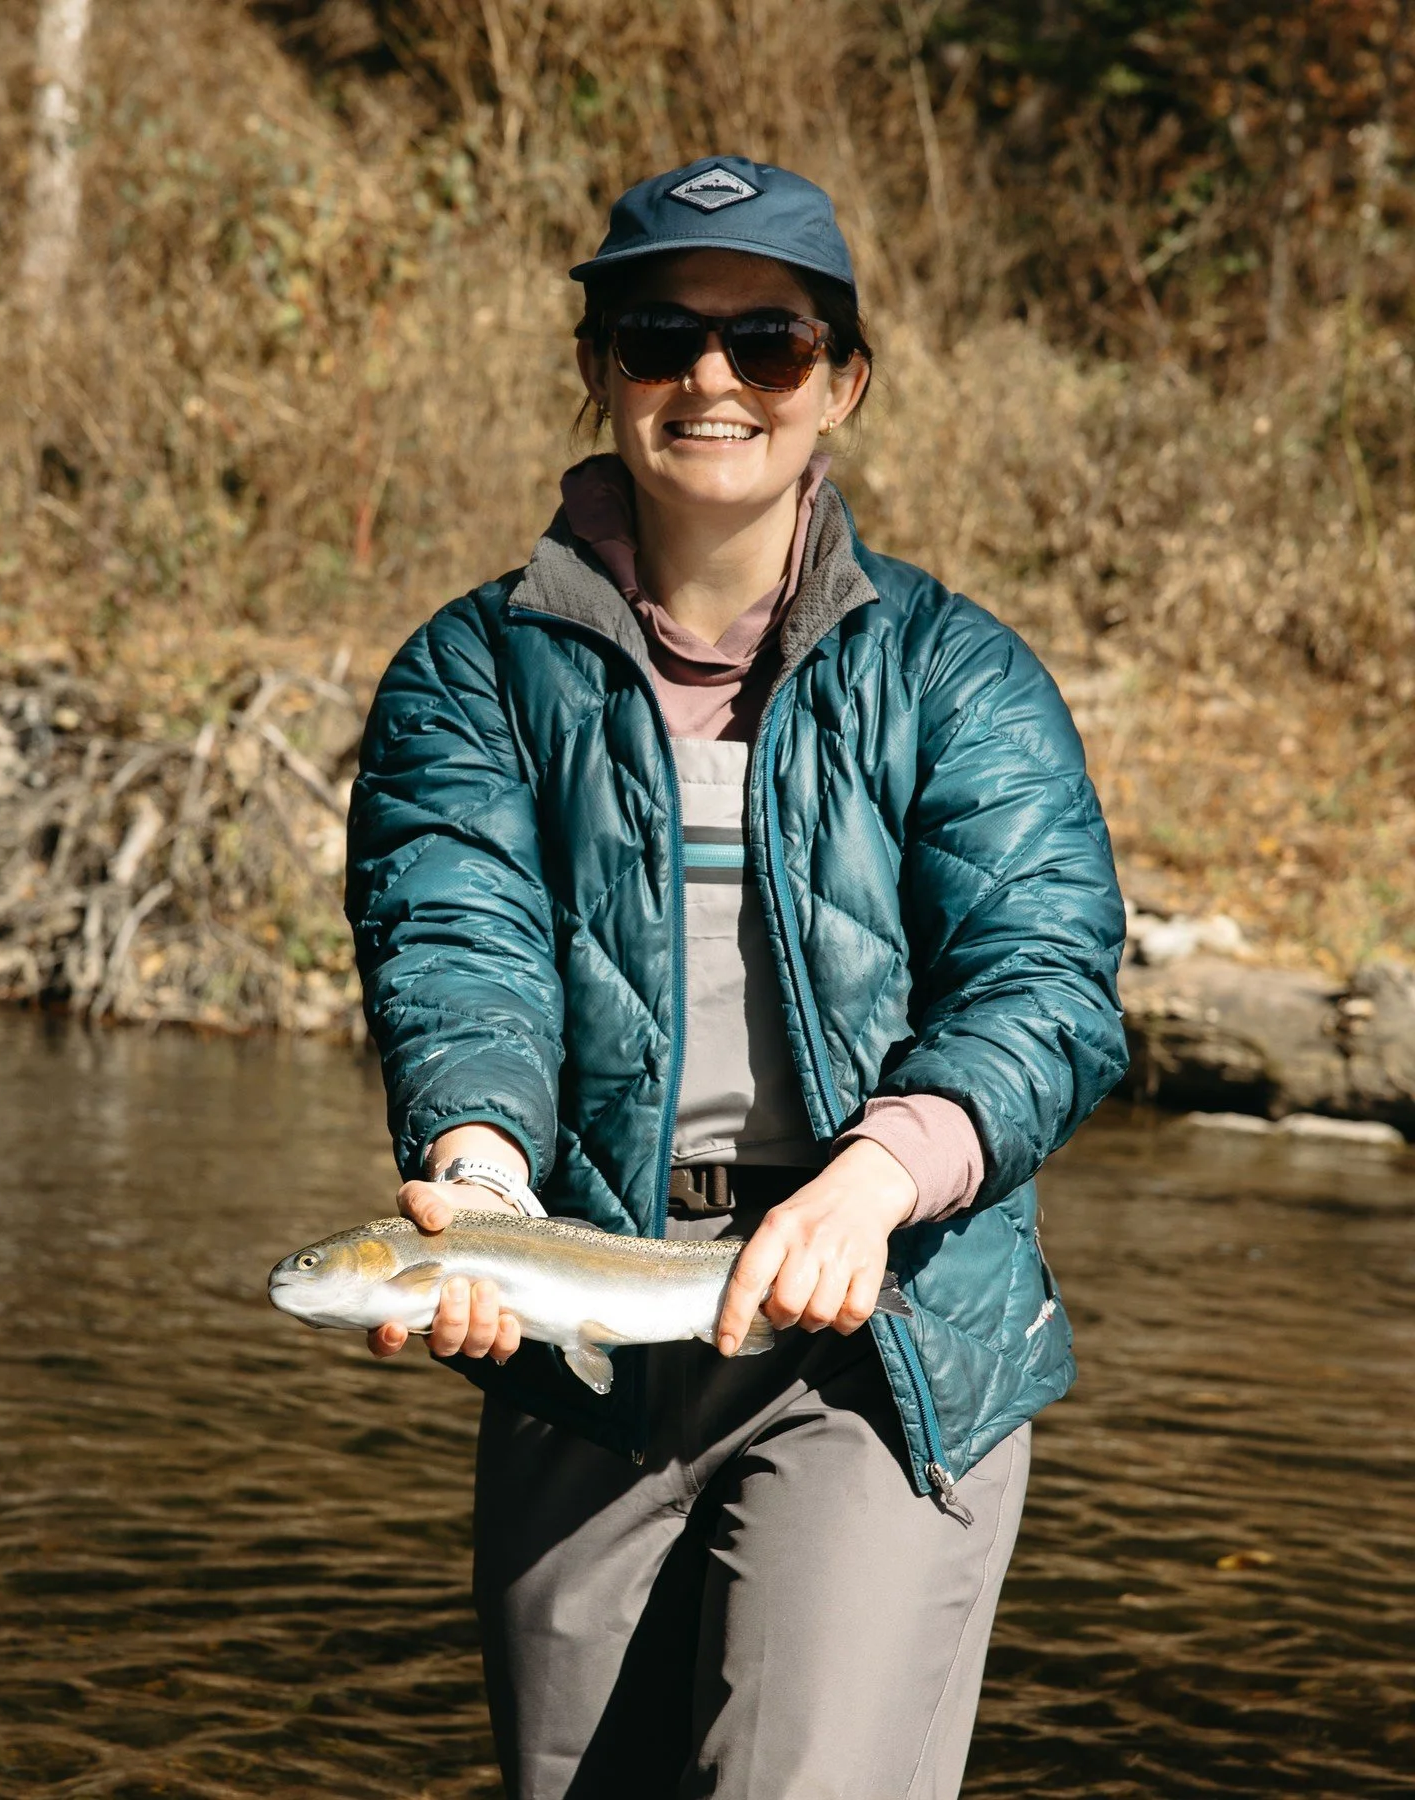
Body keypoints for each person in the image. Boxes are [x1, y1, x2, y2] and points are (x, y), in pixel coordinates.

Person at [345, 154, 1127, 1800]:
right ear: (600, 371)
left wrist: (874, 1180)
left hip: (888, 1329)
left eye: (768, 341)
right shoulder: (469, 675)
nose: (713, 379)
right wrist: (478, 1179)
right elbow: (459, 952)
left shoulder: (958, 675)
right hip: (585, 1318)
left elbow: (1047, 984)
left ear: (842, 383)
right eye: (661, 338)